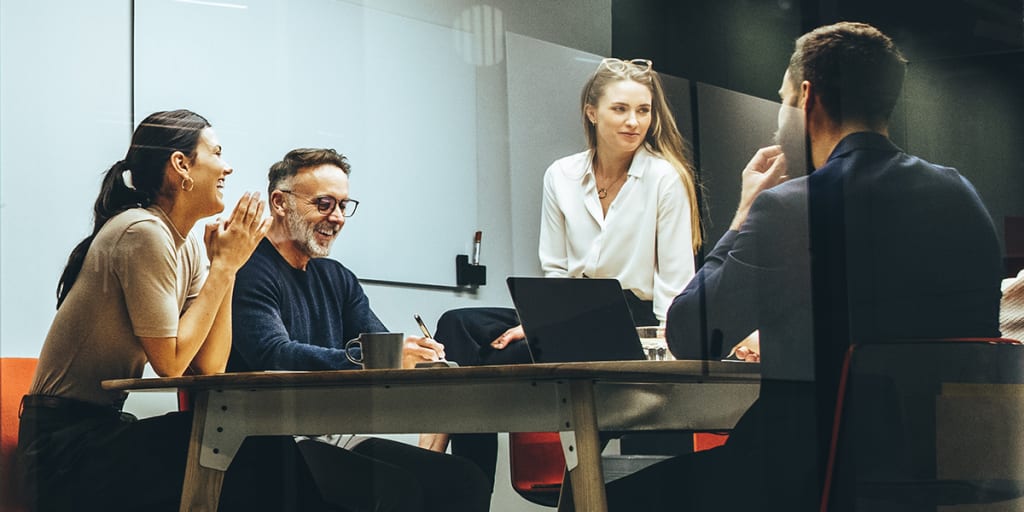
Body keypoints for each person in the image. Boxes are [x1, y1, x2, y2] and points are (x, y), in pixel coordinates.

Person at [591, 22, 1004, 512]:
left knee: (590, 496)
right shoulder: (963, 197)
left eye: (783, 100)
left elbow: (689, 333)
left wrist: (743, 217)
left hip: (809, 476)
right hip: (946, 473)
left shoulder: (792, 209)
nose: (779, 117)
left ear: (808, 98)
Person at [14, 110, 351, 511]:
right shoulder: (142, 232)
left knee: (257, 447)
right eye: (216, 153)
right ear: (181, 166)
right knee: (255, 451)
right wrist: (225, 267)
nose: (228, 166)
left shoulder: (185, 242)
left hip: (98, 434)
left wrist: (229, 268)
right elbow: (171, 366)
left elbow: (209, 368)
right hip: (61, 452)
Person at [429, 57, 701, 489]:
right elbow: (554, 268)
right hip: (570, 312)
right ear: (591, 112)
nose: (634, 122)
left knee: (482, 368)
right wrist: (537, 322)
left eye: (643, 110)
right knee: (457, 324)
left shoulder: (665, 178)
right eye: (620, 109)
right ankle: (462, 478)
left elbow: (675, 279)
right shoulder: (562, 174)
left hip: (634, 320)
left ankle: (444, 461)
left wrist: (668, 350)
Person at [227, 147, 491, 512]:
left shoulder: (337, 278)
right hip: (267, 442)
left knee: (464, 480)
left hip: (330, 436)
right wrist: (384, 357)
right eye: (323, 204)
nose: (336, 218)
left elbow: (381, 348)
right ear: (279, 202)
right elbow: (274, 354)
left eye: (343, 205)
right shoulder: (248, 270)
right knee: (396, 490)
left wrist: (418, 357)